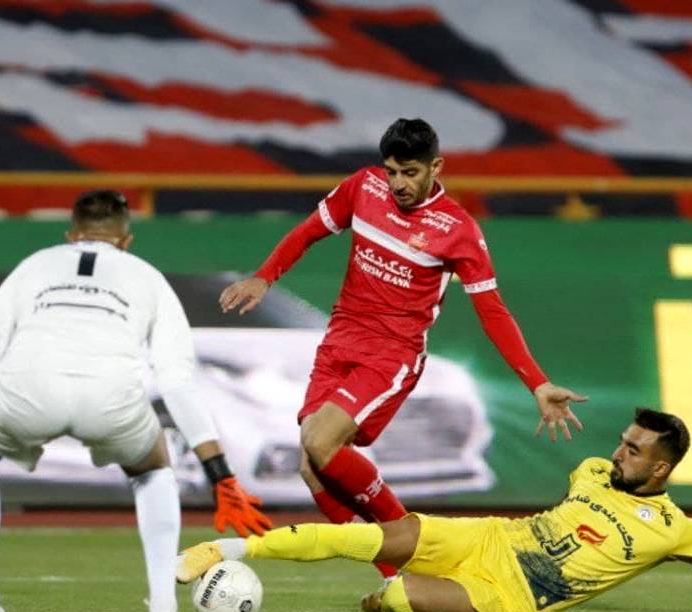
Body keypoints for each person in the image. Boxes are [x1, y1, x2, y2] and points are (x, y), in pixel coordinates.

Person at [0, 190, 272, 612]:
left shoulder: (34, 266)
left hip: (27, 394)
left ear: (71, 236)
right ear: (126, 241)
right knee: (154, 468)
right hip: (109, 401)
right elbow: (177, 384)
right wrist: (221, 476)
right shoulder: (147, 277)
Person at [218, 118, 586, 581]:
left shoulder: (457, 229)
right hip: (339, 340)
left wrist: (537, 382)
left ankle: (413, 544)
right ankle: (398, 575)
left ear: (436, 167)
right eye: (391, 171)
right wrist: (264, 276)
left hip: (392, 352)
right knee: (311, 468)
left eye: (410, 173)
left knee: (319, 441)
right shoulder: (362, 188)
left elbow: (493, 312)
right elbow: (310, 230)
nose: (398, 184)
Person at [178, 408, 692, 612]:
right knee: (370, 537)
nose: (618, 452)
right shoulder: (592, 471)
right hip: (487, 537)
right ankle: (227, 551)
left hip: (511, 594)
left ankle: (387, 598)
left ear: (661, 470)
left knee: (396, 597)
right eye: (622, 441)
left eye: (633, 450)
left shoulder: (677, 531)